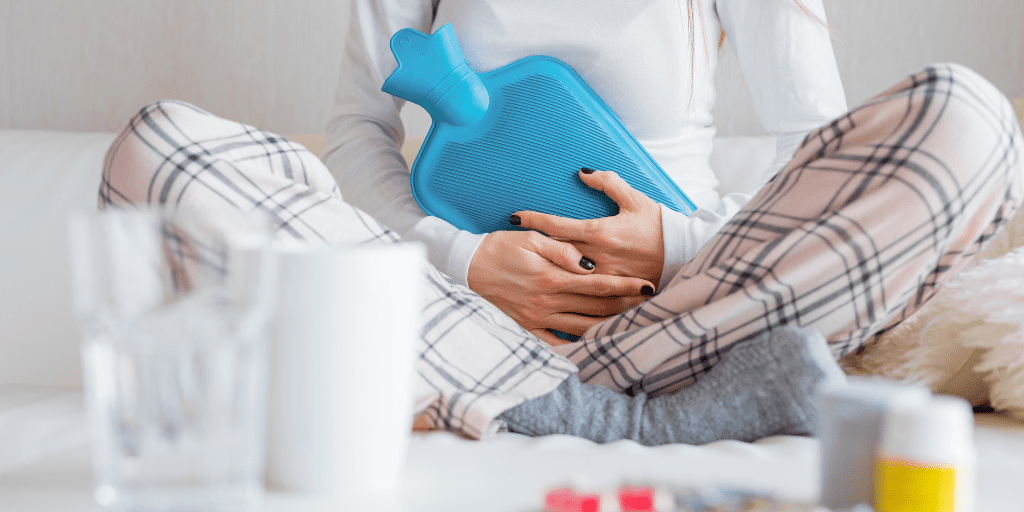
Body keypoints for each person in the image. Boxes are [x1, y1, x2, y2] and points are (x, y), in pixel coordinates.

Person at [99, 0, 1023, 443]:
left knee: (966, 116)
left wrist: (674, 246)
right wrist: (461, 259)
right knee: (159, 147)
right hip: (456, 316)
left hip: (693, 311)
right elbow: (358, 132)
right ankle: (586, 408)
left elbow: (811, 145)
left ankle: (567, 396)